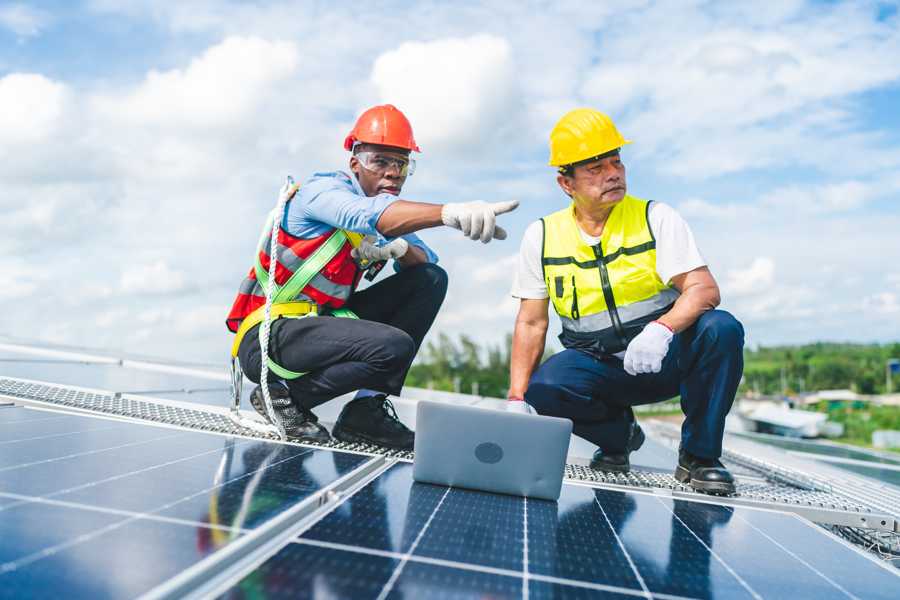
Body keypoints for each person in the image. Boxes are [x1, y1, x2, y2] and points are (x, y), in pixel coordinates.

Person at [226, 104, 518, 450]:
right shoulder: (321, 192)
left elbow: (425, 261)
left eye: (401, 163)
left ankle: (365, 411)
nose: (393, 172)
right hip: (271, 335)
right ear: (355, 163)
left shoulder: (391, 220)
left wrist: (397, 249)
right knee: (393, 346)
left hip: (320, 327)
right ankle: (286, 398)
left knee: (430, 279)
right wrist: (448, 213)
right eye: (380, 161)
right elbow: (363, 214)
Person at [507, 108, 744, 495]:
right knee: (544, 388)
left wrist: (661, 329)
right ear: (565, 183)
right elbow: (531, 322)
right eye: (595, 168)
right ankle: (619, 437)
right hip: (601, 369)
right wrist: (516, 398)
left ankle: (699, 457)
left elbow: (703, 288)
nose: (613, 173)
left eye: (616, 161)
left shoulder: (655, 217)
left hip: (665, 357)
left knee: (722, 329)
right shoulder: (543, 236)